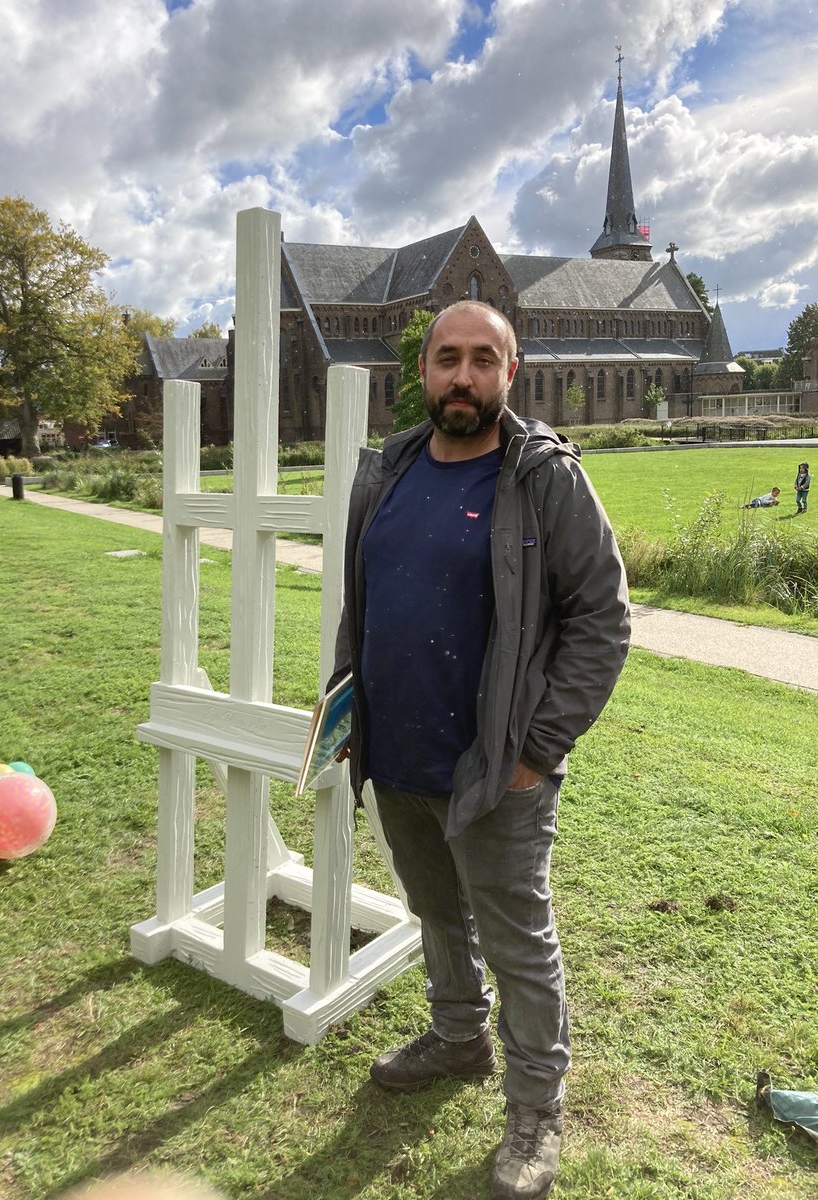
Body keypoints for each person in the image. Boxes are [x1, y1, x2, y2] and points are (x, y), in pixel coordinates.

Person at [331, 300, 631, 1200]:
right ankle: (458, 1038)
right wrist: (348, 712)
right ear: (421, 371)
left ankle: (536, 1110)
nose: (463, 377)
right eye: (447, 358)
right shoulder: (387, 470)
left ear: (511, 372)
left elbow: (603, 620)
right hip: (397, 755)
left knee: (519, 944)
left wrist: (537, 749)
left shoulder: (543, 478)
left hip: (499, 769)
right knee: (436, 913)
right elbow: (362, 600)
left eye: (483, 360)